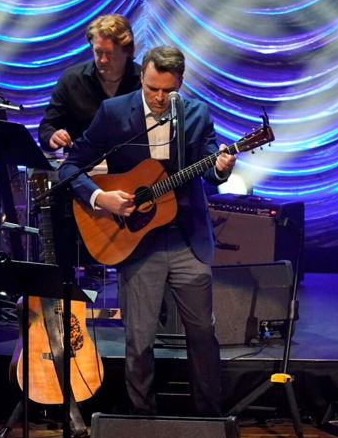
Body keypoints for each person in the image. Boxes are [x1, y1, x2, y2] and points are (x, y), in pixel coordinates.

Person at [57, 45, 234, 417]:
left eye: (168, 91)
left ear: (180, 84)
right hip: (135, 240)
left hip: (187, 238)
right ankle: (141, 423)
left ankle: (210, 421)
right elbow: (71, 167)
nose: (159, 98)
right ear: (142, 78)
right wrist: (99, 198)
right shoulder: (114, 113)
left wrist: (221, 167)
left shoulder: (197, 114)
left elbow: (209, 168)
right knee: (138, 340)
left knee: (202, 335)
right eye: (153, 88)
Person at [38, 14, 141, 153]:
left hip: (134, 169)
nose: (103, 60)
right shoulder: (72, 79)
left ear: (127, 51)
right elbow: (47, 126)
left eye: (110, 53)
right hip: (83, 167)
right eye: (98, 52)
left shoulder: (143, 81)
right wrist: (52, 136)